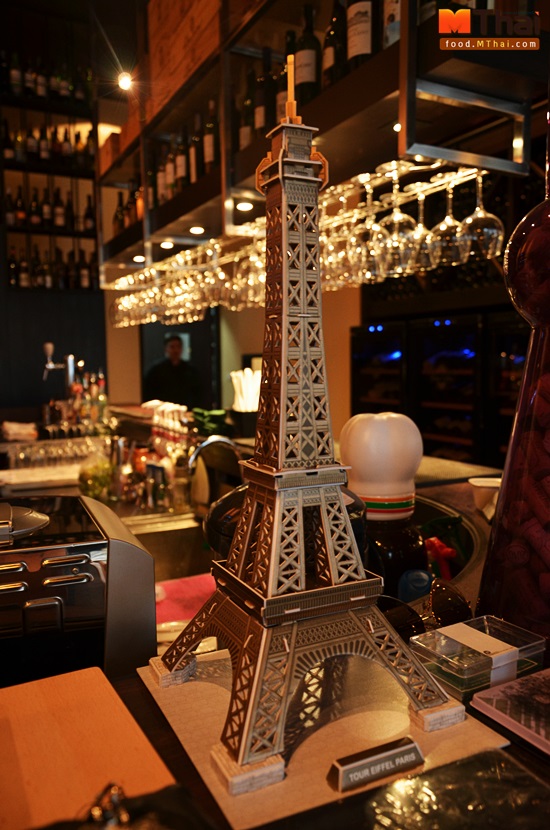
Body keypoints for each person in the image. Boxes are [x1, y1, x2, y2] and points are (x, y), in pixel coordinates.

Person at [143, 333, 201, 406]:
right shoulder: (156, 370)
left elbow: (197, 393)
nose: (176, 350)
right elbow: (148, 392)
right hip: (162, 408)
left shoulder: (190, 371)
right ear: (166, 349)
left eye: (178, 347)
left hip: (184, 408)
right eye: (172, 347)